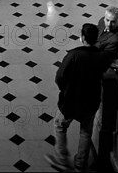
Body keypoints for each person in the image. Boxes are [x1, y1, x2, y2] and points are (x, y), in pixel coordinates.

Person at [46, 23, 109, 172]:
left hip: (71, 100)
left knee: (60, 125)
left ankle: (61, 159)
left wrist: (64, 89)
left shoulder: (73, 55)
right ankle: (81, 163)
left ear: (82, 37)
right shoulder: (101, 57)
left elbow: (60, 76)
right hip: (91, 101)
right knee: (86, 132)